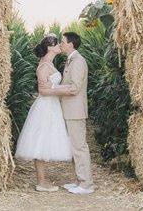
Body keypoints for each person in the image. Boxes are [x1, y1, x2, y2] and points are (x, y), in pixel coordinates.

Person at [14, 34, 72, 192]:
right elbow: (42, 90)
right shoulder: (44, 66)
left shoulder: (50, 64)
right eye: (56, 43)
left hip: (52, 105)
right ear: (50, 47)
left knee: (45, 142)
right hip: (45, 107)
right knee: (41, 142)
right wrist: (64, 89)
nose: (60, 45)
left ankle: (43, 180)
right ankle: (41, 182)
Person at [39, 32, 94, 195]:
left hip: (75, 111)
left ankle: (86, 184)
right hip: (68, 110)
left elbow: (75, 88)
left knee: (79, 147)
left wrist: (53, 88)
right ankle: (79, 180)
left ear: (70, 44)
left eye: (62, 42)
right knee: (74, 148)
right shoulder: (70, 60)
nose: (60, 44)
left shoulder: (78, 61)